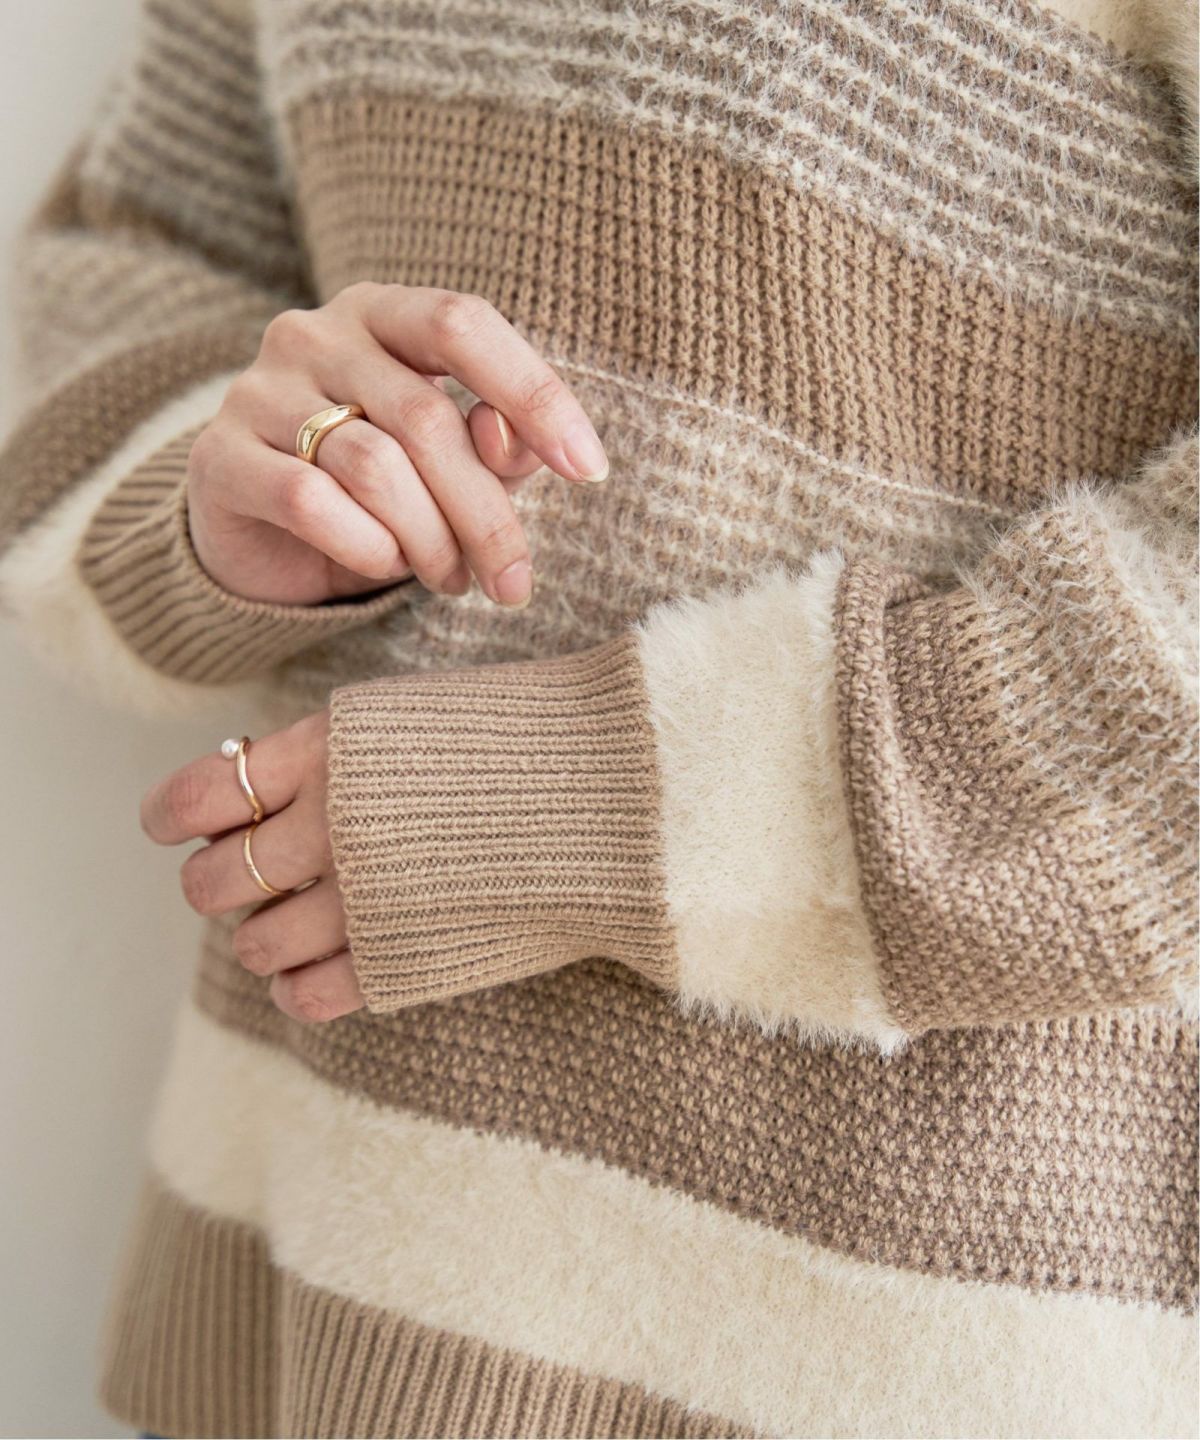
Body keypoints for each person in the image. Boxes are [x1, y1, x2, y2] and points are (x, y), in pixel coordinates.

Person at [0, 0, 1196, 1435]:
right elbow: (124, 269)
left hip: (912, 1316)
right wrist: (242, 497)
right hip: (338, 1244)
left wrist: (582, 798)